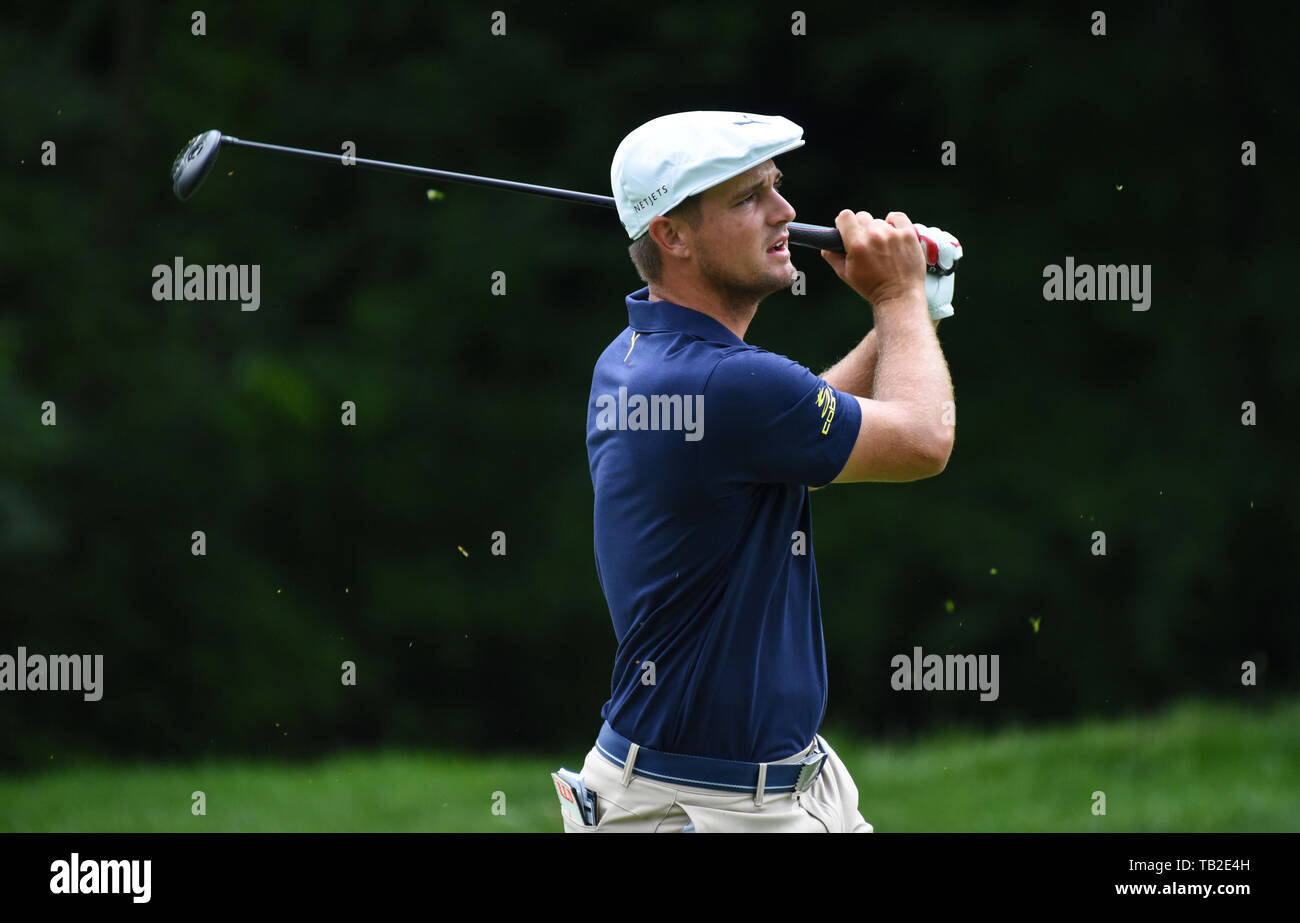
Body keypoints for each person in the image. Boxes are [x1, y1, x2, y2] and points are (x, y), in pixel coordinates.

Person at [557, 111, 956, 832]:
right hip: (704, 804)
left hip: (775, 785)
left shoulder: (634, 355)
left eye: (775, 186)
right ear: (671, 236)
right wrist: (897, 300)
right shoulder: (727, 385)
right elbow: (925, 441)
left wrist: (906, 317)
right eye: (748, 198)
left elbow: (799, 433)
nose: (785, 211)